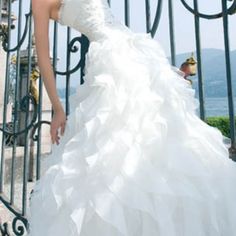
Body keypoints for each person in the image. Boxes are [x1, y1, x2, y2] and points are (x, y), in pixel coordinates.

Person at [28, 0, 236, 235]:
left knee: (159, 134)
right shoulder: (40, 2)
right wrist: (57, 107)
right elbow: (43, 58)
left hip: (135, 51)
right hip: (110, 60)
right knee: (114, 142)